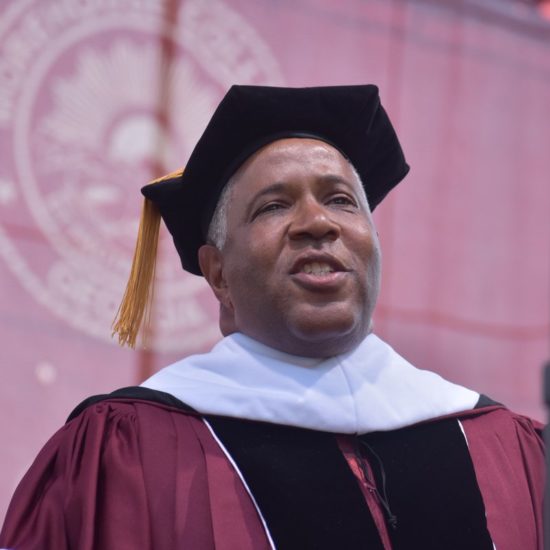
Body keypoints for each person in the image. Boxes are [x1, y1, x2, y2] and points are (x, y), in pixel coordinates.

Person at [0, 85, 544, 550]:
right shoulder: (124, 455)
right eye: (273, 206)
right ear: (218, 274)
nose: (317, 223)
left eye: (341, 200)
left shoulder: (508, 450)